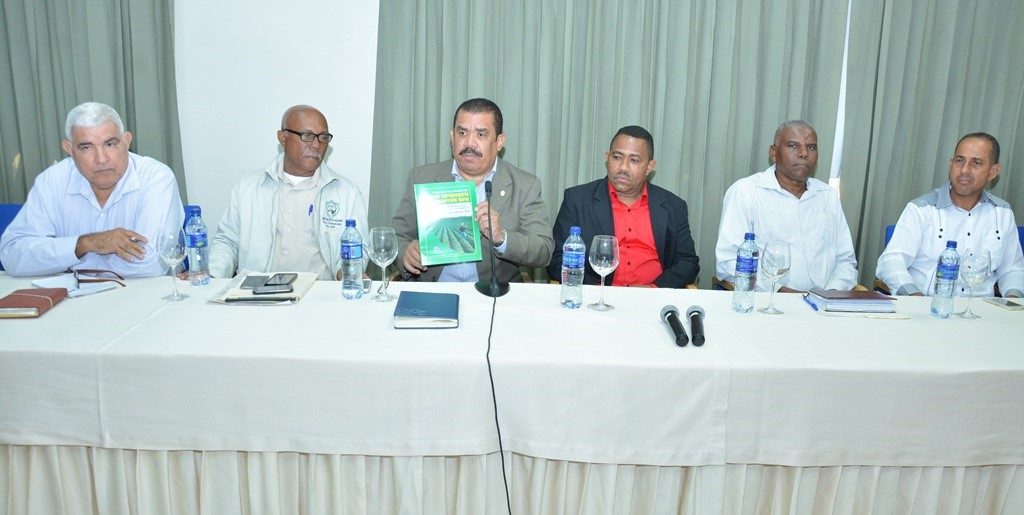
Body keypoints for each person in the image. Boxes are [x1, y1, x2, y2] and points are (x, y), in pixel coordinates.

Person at [0, 102, 183, 277]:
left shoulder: (156, 178)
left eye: (110, 144)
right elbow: (12, 255)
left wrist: (69, 259)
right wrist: (85, 244)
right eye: (86, 147)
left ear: (126, 141)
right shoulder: (52, 181)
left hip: (145, 295)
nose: (101, 159)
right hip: (72, 296)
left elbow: (153, 263)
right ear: (70, 149)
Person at [392, 98, 554, 282]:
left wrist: (502, 237)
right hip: (436, 289)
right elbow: (397, 236)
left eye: (481, 135)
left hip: (494, 293)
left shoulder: (524, 185)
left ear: (499, 141)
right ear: (452, 137)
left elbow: (544, 249)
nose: (469, 143)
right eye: (462, 133)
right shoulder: (422, 177)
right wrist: (405, 253)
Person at [209, 105, 367, 280]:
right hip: (258, 291)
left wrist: (347, 271)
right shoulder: (249, 187)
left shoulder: (347, 193)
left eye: (323, 137)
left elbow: (359, 249)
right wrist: (213, 276)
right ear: (283, 137)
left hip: (320, 292)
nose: (316, 145)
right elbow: (228, 242)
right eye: (307, 136)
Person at [547, 126, 699, 287]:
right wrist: (599, 289)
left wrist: (654, 288)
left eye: (634, 160)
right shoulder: (577, 200)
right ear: (607, 158)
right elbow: (556, 260)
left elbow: (687, 263)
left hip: (652, 297)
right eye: (617, 157)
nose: (623, 167)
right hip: (596, 296)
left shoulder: (673, 206)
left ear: (649, 166)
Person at [715, 120, 858, 292]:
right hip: (767, 301)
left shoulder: (828, 196)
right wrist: (782, 292)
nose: (804, 153)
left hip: (825, 303)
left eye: (811, 147)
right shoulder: (746, 192)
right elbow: (728, 261)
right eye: (793, 146)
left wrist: (831, 293)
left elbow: (845, 260)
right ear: (773, 153)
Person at [876, 132, 1023, 297]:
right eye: (959, 160)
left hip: (982, 309)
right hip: (928, 303)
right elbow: (891, 262)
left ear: (993, 172)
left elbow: (1012, 270)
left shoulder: (1002, 213)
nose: (964, 170)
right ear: (951, 164)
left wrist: (1012, 303)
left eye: (976, 163)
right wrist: (915, 297)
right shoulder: (922, 209)